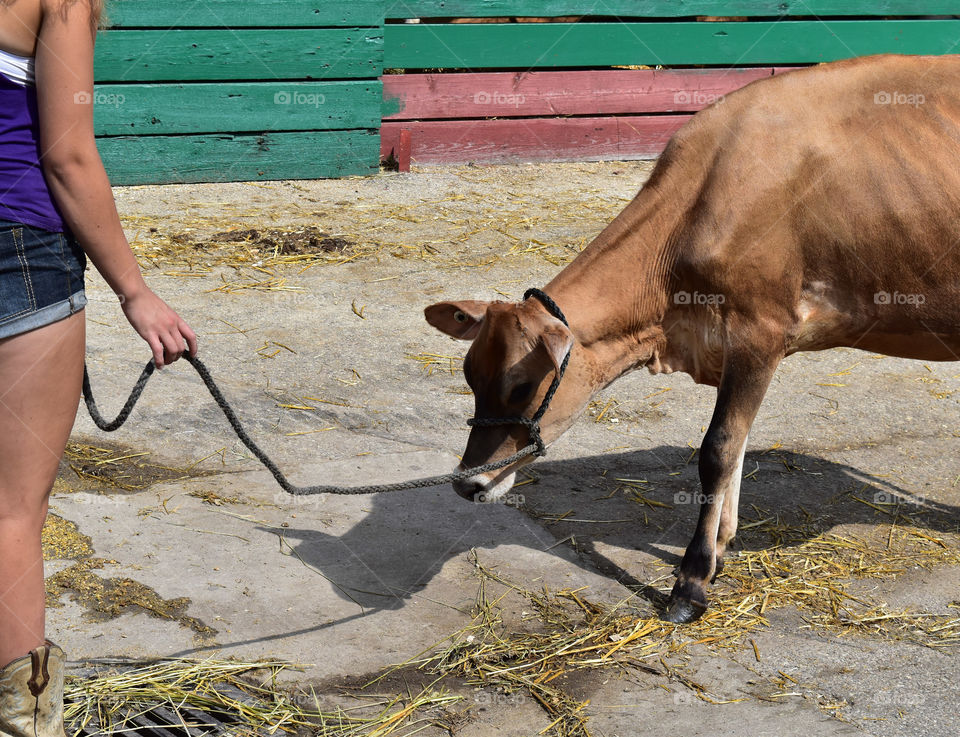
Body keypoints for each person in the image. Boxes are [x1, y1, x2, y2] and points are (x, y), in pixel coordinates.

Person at [0, 2, 197, 734]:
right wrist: (136, 291)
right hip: (17, 246)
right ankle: (27, 722)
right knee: (12, 511)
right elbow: (66, 154)